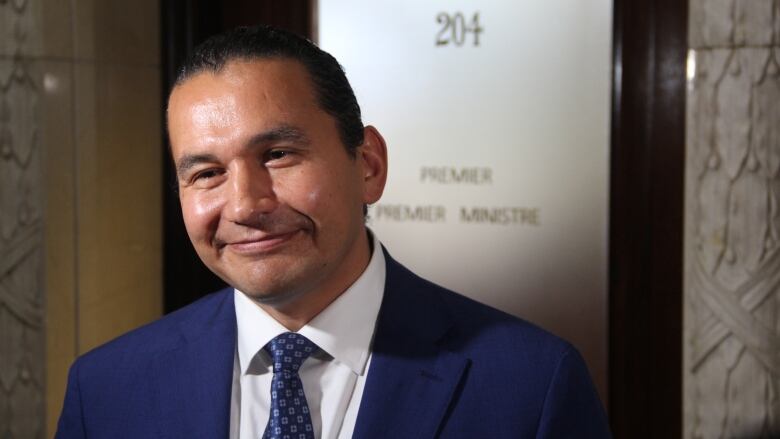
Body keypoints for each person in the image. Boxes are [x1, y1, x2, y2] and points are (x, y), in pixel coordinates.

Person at [55, 25, 610, 438]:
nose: (246, 204)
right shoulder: (106, 390)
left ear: (367, 164)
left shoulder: (531, 386)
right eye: (207, 173)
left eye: (277, 154)